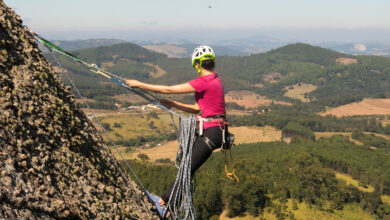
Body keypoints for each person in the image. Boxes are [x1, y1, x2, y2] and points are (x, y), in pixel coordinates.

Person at [125, 45, 227, 216]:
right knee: (187, 169)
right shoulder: (216, 81)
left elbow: (168, 89)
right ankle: (166, 207)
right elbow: (197, 108)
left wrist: (139, 85)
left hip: (212, 132)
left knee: (186, 169)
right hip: (214, 131)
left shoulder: (205, 81)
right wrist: (173, 104)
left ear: (197, 64)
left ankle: (164, 205)